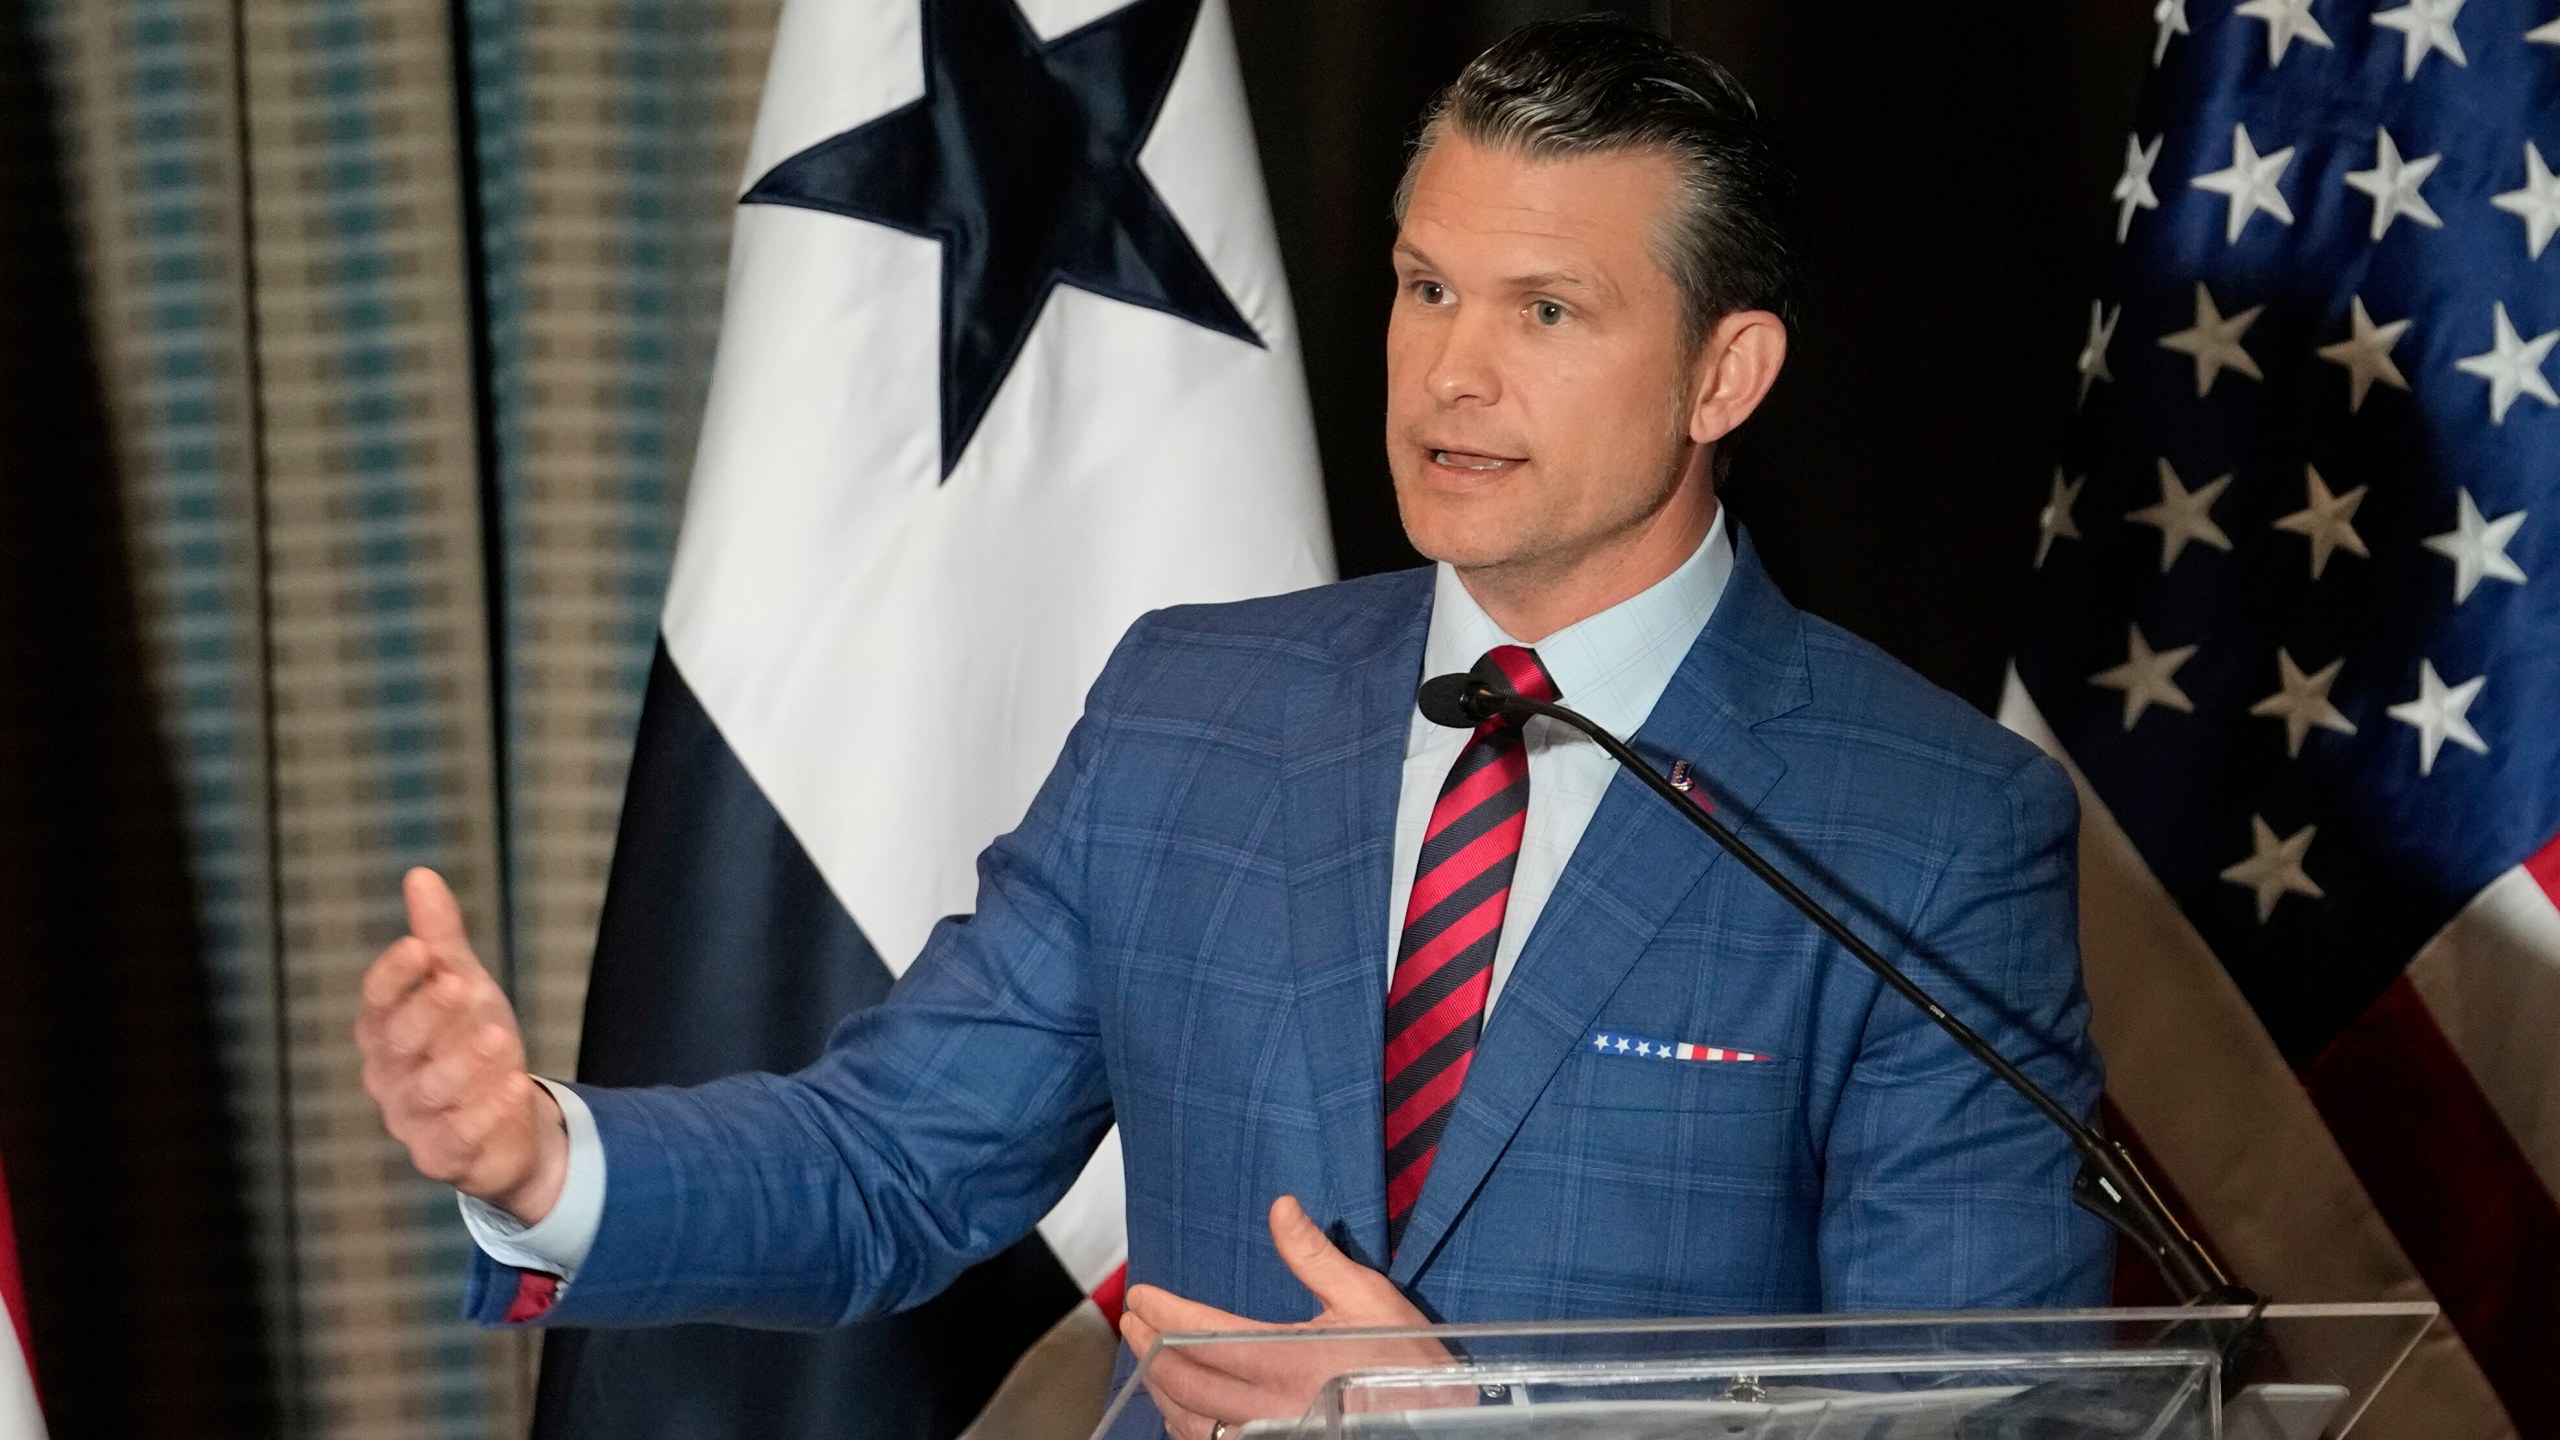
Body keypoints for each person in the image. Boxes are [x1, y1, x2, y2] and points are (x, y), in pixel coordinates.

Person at [357, 17, 2108, 1439]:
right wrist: (538, 1152)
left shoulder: (1929, 821)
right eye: (1428, 290)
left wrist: (1489, 1426)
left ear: (1725, 375)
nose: (1450, 378)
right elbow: (892, 1163)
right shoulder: (1192, 707)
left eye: (1547, 313)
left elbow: (1988, 1416)